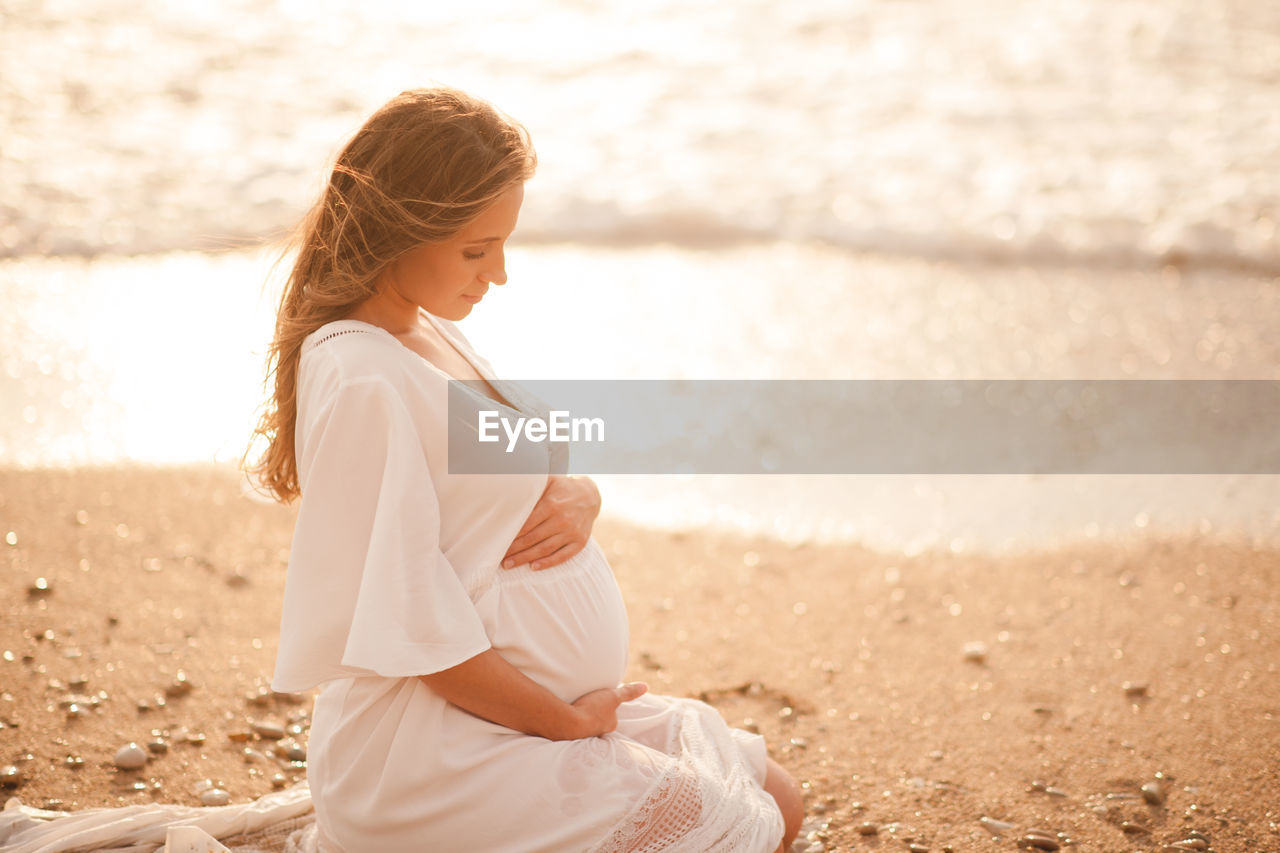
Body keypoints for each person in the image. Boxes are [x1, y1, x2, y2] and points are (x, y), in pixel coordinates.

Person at [250, 87, 803, 852]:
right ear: (399, 230)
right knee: (742, 828)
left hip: (513, 717)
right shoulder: (362, 378)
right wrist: (565, 721)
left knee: (777, 796)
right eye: (476, 250)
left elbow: (521, 450)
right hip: (437, 746)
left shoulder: (429, 332)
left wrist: (582, 491)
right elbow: (413, 627)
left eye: (503, 243)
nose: (498, 274)